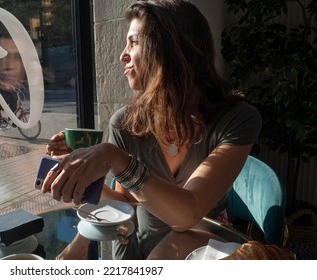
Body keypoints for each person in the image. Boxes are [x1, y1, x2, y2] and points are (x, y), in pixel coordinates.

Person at [42, 0, 262, 260]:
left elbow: (186, 216)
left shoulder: (236, 119)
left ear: (169, 48)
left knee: (175, 243)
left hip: (202, 251)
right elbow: (125, 202)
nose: (122, 55)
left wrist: (113, 157)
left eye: (133, 42)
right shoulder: (125, 123)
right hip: (139, 249)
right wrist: (86, 179)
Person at [0, 34, 27, 118]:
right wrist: (3, 83)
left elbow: (4, 76)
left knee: (14, 98)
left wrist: (16, 83)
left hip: (0, 88)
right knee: (8, 99)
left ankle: (12, 118)